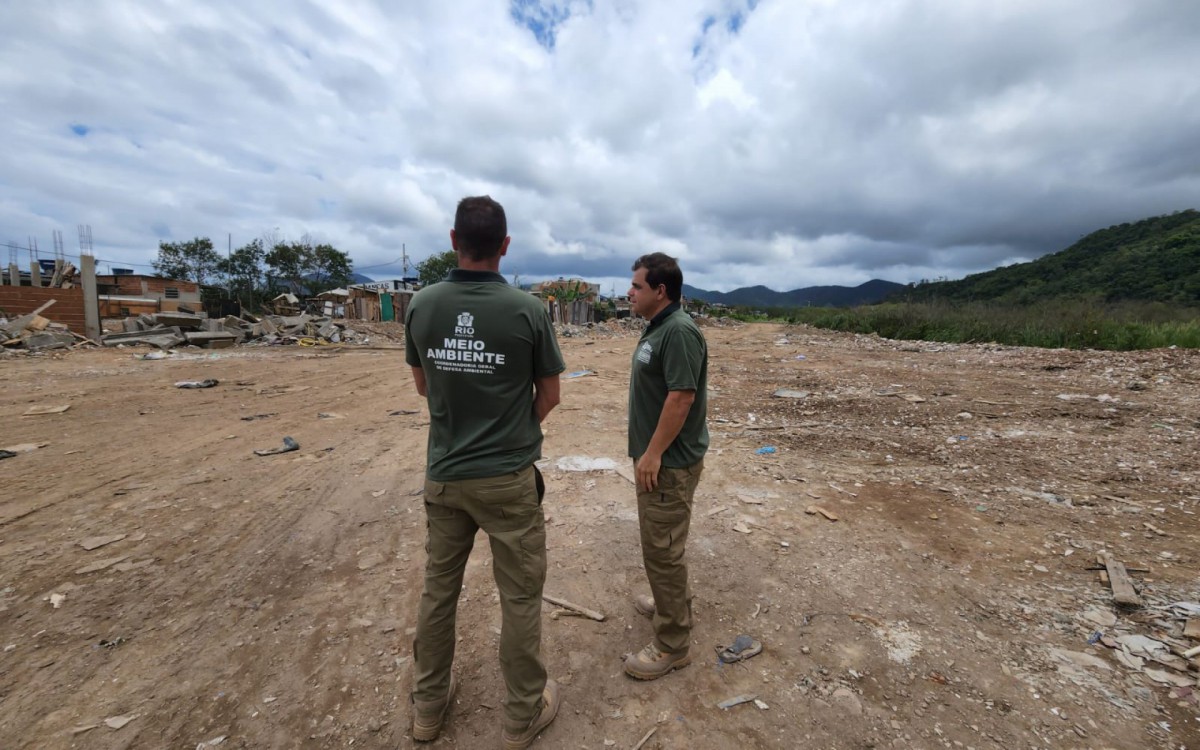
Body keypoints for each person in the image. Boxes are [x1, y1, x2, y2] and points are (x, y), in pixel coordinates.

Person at [404, 196, 565, 748]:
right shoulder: (528, 310)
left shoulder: (421, 305)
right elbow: (550, 395)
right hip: (507, 479)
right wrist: (512, 430)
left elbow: (424, 386)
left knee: (438, 591)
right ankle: (521, 715)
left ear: (453, 240)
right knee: (519, 596)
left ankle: (428, 708)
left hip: (445, 476)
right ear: (505, 245)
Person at [623, 252, 709, 680]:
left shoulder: (678, 332)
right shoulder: (659, 327)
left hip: (669, 464)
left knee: (662, 549)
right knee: (662, 546)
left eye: (637, 286)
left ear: (660, 290)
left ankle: (673, 644)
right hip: (659, 460)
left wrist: (653, 453)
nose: (629, 292)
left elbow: (681, 397)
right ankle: (670, 604)